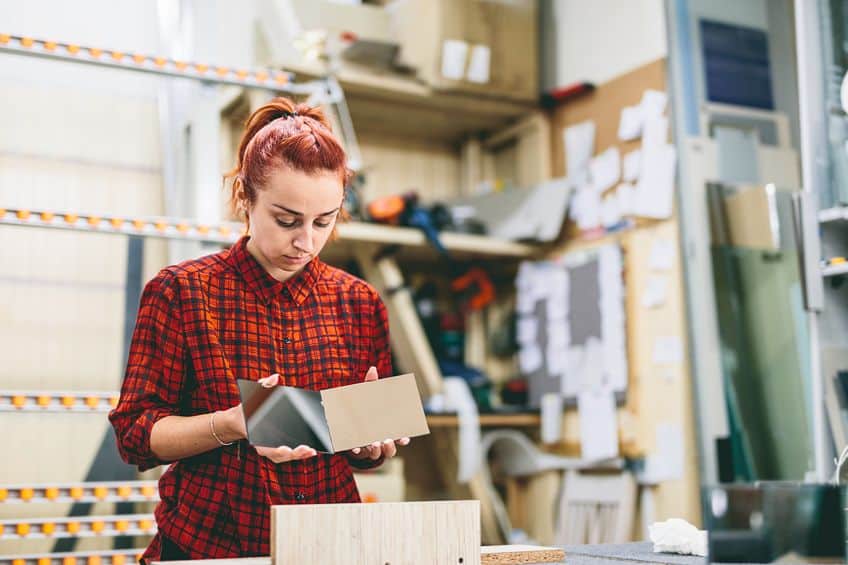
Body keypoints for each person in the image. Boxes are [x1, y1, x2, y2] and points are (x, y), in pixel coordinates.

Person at [109, 97, 408, 563]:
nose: (305, 241)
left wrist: (372, 441)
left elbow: (364, 456)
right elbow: (134, 434)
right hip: (208, 546)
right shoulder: (182, 292)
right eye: (286, 220)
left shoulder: (360, 303)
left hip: (328, 545)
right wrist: (233, 424)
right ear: (246, 197)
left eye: (323, 222)